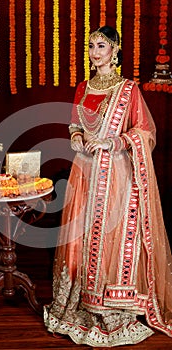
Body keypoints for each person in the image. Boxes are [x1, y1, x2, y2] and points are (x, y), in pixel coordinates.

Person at [44, 25, 172, 347]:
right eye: (90, 46)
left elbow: (145, 132)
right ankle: (80, 300)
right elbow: (75, 125)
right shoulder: (83, 87)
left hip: (115, 173)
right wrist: (76, 139)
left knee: (110, 237)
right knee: (80, 236)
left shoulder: (128, 90)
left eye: (101, 46)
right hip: (84, 171)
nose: (94, 52)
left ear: (115, 51)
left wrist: (114, 142)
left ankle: (109, 302)